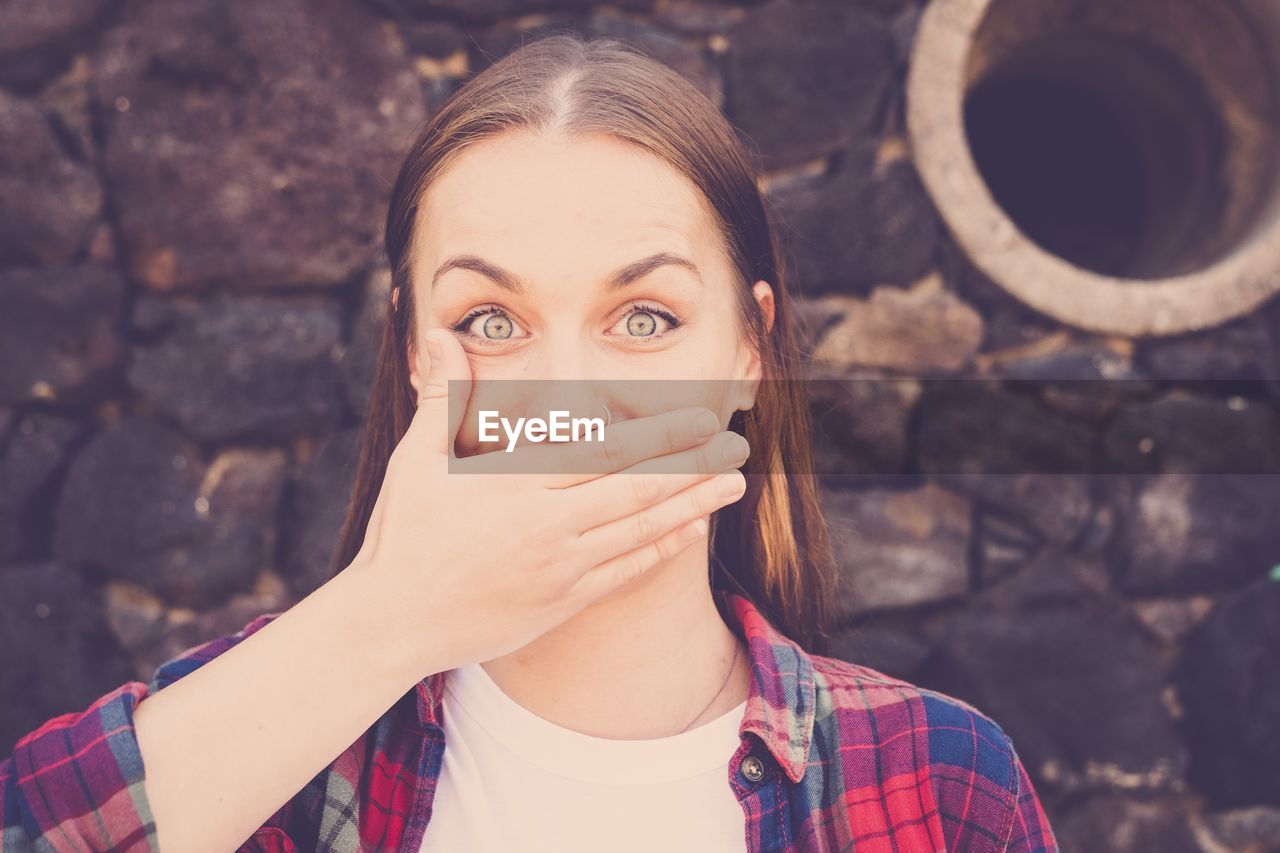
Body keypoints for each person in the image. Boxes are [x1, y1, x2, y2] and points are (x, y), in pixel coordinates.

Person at [0, 32, 1058, 852]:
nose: (570, 395)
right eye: (489, 323)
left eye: (644, 317)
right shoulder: (272, 736)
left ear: (747, 350)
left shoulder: (936, 777)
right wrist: (386, 618)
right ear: (417, 359)